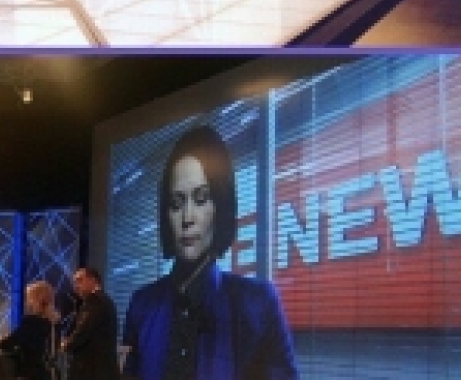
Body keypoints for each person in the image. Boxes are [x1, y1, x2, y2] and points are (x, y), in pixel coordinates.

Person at [121, 126, 298, 380]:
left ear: (221, 205)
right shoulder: (142, 304)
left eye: (201, 198)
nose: (187, 217)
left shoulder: (257, 304)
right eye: (176, 203)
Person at [60, 268, 120, 380]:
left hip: (92, 371)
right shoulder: (104, 300)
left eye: (79, 280)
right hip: (100, 370)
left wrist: (65, 345)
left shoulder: (95, 301)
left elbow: (83, 330)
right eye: (74, 282)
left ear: (93, 280)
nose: (76, 286)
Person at [0, 280, 59, 380]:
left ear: (35, 300)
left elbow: (11, 342)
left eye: (28, 297)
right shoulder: (55, 323)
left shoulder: (32, 321)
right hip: (50, 374)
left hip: (31, 374)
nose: (27, 302)